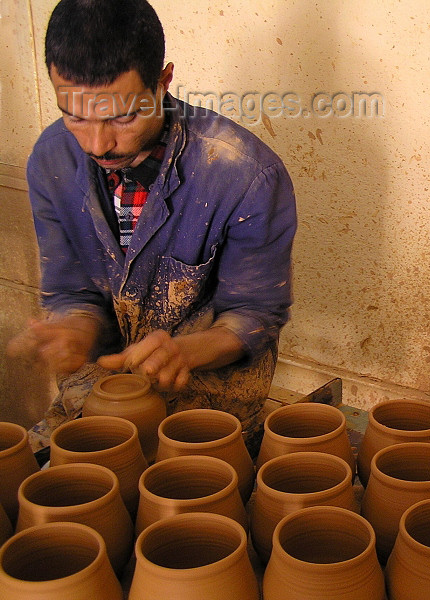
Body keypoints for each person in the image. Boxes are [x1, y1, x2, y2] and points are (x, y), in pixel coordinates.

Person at [6, 0, 297, 459]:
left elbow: (255, 313)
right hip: (100, 392)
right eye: (75, 115)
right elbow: (72, 292)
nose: (98, 144)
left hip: (211, 399)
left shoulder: (245, 173)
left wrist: (187, 351)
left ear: (162, 83)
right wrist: (74, 330)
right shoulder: (51, 160)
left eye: (122, 116)